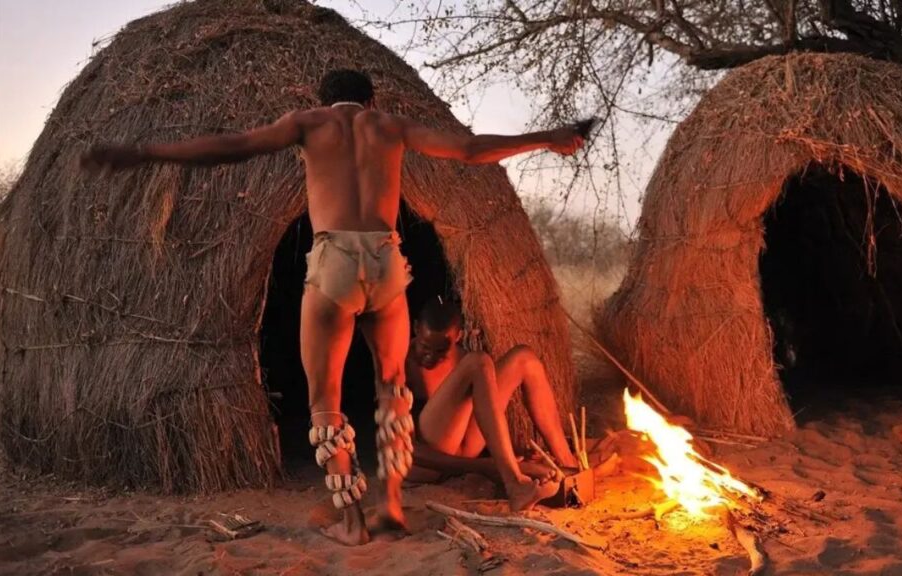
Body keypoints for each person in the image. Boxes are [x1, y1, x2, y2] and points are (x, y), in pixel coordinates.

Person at [81, 69, 586, 545]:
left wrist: (147, 152)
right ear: (371, 101)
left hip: (334, 260)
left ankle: (350, 521)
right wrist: (548, 137)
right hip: (387, 260)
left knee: (326, 401)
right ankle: (389, 507)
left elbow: (233, 148)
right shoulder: (390, 126)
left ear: (326, 102)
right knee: (393, 393)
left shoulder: (308, 123)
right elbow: (471, 149)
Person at [405, 298, 580, 511]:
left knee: (524, 357)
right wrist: (489, 466)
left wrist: (506, 457)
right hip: (422, 465)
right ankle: (513, 483)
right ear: (415, 328)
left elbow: (483, 414)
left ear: (459, 336)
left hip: (464, 450)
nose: (431, 356)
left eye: (442, 350)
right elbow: (406, 450)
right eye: (425, 346)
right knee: (478, 361)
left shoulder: (461, 358)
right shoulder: (399, 364)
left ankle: (569, 465)